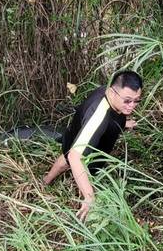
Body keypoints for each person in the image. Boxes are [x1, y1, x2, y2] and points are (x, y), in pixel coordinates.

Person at [43, 70, 142, 220]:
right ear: (112, 92)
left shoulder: (108, 93)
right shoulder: (98, 116)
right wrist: (89, 196)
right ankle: (48, 185)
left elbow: (112, 115)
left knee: (65, 158)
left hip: (79, 133)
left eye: (136, 101)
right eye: (127, 101)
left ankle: (45, 182)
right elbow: (75, 156)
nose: (131, 106)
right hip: (84, 141)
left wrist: (123, 123)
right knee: (70, 162)